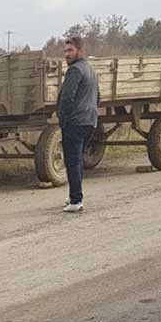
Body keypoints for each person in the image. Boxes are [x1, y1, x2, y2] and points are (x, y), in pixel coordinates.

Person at [57, 36, 99, 213]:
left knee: (72, 160)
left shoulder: (75, 71)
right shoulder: (90, 69)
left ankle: (76, 200)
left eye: (70, 50)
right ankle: (74, 194)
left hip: (75, 121)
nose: (66, 54)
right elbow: (98, 97)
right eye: (65, 51)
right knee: (77, 159)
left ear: (79, 51)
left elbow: (66, 98)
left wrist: (62, 118)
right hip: (90, 120)